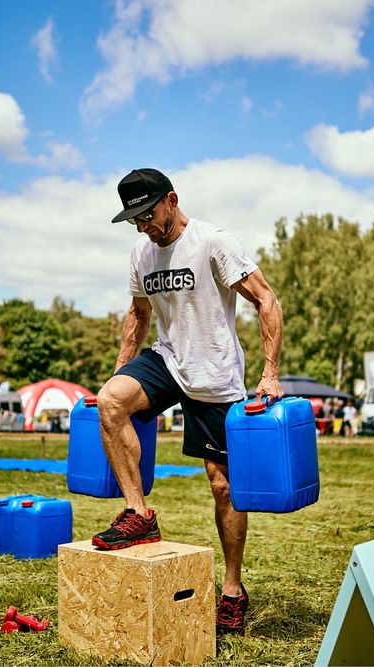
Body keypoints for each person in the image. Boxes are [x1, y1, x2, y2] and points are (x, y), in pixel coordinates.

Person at [95, 167, 283, 636]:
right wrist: (122, 368)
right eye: (134, 219)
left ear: (172, 200)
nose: (143, 226)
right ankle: (140, 515)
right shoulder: (141, 252)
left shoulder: (213, 243)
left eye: (148, 214)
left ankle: (233, 591)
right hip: (168, 361)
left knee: (223, 486)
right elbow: (138, 315)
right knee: (110, 401)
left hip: (215, 376)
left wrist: (270, 372)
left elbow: (266, 299)